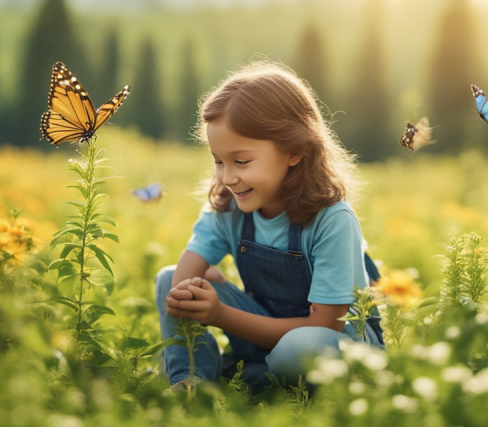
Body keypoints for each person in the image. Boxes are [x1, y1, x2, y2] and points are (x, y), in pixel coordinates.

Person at [155, 61, 383, 391]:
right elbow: (183, 276)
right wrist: (190, 287)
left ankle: (252, 379)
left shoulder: (333, 220)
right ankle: (192, 382)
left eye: (242, 161)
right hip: (262, 336)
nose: (227, 177)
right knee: (166, 278)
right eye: (218, 161)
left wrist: (220, 314)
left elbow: (325, 326)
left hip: (332, 348)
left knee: (300, 348)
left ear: (294, 151)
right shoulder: (228, 205)